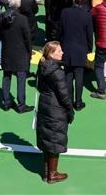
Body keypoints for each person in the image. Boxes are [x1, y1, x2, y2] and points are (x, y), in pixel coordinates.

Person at [36, 42, 74, 184]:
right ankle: (52, 174)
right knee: (55, 141)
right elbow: (64, 95)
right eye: (59, 50)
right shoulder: (57, 72)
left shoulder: (42, 65)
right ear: (51, 54)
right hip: (56, 109)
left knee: (47, 139)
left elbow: (39, 86)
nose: (62, 52)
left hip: (44, 105)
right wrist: (70, 110)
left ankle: (46, 172)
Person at [0, 0, 34, 113]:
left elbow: (0, 33)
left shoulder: (1, 17)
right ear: (18, 4)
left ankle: (6, 102)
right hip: (20, 52)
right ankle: (21, 104)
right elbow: (27, 37)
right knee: (21, 78)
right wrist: (29, 51)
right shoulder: (23, 19)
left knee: (6, 76)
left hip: (7, 51)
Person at [59, 0, 93, 111]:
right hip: (81, 49)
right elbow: (89, 34)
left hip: (67, 48)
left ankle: (68, 102)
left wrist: (61, 45)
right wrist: (89, 48)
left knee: (68, 76)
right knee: (79, 77)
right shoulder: (87, 15)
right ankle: (78, 102)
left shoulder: (65, 12)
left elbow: (61, 31)